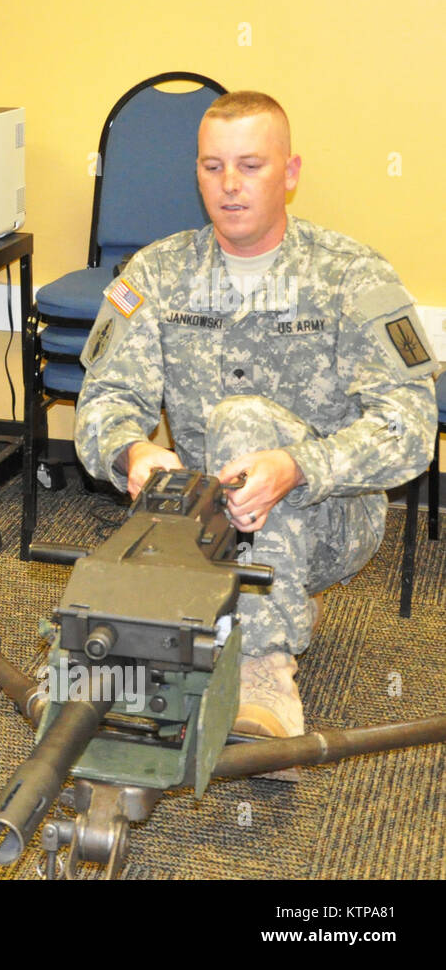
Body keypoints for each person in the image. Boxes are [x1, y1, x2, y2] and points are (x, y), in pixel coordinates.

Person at [73, 91, 437, 761]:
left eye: (251, 165)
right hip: (201, 520)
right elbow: (104, 397)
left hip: (332, 517)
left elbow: (410, 426)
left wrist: (301, 466)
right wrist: (134, 454)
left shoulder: (352, 275)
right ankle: (250, 606)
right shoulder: (156, 272)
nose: (230, 185)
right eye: (212, 167)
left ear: (290, 173)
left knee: (242, 423)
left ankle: (265, 673)